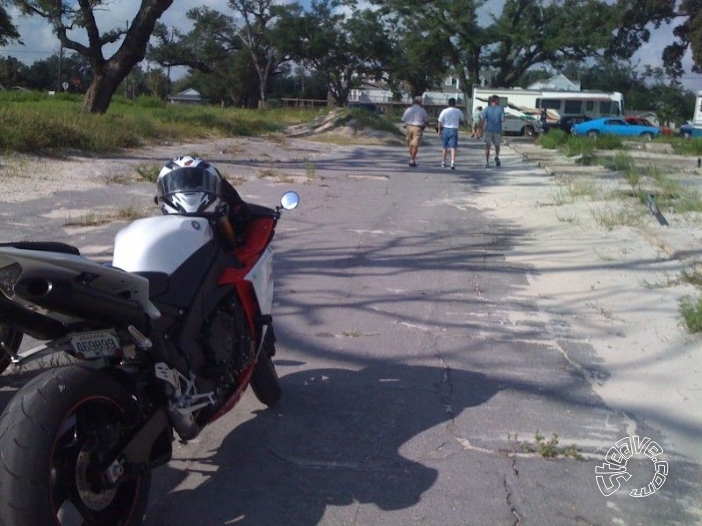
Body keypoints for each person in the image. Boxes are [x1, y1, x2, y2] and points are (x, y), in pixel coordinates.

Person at [437, 98, 464, 170]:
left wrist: (439, 131)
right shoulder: (458, 111)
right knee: (453, 147)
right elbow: (462, 118)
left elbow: (439, 121)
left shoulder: (444, 111)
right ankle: (452, 162)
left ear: (448, 103)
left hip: (445, 129)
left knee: (444, 147)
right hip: (454, 129)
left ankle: (443, 162)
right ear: (455, 103)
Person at [401, 96, 429, 167]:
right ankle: (412, 160)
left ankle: (412, 159)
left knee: (410, 144)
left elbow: (404, 119)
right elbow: (426, 121)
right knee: (415, 145)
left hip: (409, 127)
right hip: (417, 128)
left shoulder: (408, 109)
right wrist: (426, 125)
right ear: (420, 102)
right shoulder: (422, 110)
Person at [481, 95, 505, 168]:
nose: (499, 101)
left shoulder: (486, 109)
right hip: (497, 130)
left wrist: (481, 129)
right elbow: (503, 119)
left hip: (488, 130)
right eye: (498, 100)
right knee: (497, 145)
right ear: (496, 100)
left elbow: (483, 119)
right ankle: (496, 156)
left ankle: (487, 161)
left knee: (487, 146)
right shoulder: (501, 109)